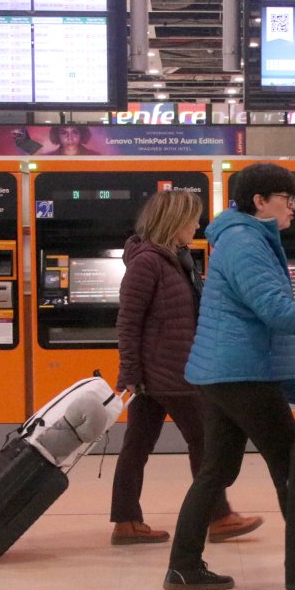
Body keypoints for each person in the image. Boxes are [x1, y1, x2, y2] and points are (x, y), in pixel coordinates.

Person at [163, 163, 295, 590]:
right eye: (286, 199)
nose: (293, 208)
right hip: (241, 373)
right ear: (260, 201)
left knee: (216, 471)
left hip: (225, 370)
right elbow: (276, 310)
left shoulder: (245, 236)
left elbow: (259, 315)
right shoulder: (244, 241)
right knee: (292, 467)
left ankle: (183, 567)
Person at [111, 190, 263, 546]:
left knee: (138, 445)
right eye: (192, 218)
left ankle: (126, 521)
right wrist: (129, 374)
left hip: (165, 370)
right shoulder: (148, 262)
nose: (197, 225)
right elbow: (128, 322)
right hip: (168, 372)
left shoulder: (176, 259)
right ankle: (218, 516)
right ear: (173, 220)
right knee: (206, 443)